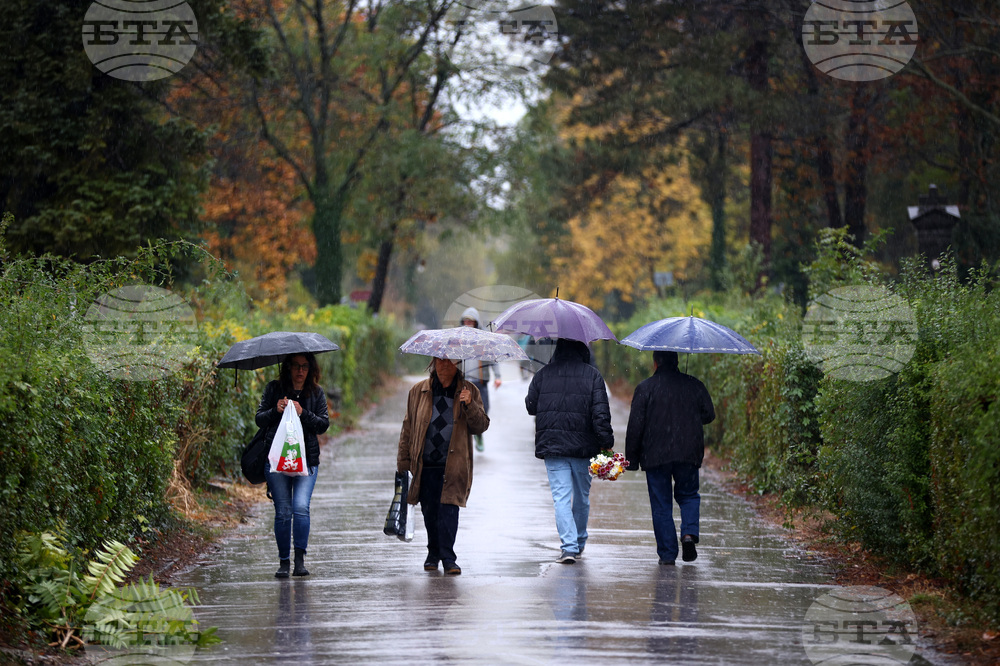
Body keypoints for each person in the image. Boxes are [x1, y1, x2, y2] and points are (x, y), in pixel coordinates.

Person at [397, 357, 489, 575]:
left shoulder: (469, 391)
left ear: (458, 363)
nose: (444, 364)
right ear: (433, 363)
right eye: (439, 360)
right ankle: (433, 552)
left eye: (449, 361)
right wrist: (403, 462)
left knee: (449, 510)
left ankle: (448, 557)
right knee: (430, 511)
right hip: (426, 463)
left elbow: (481, 426)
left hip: (454, 465)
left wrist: (470, 405)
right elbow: (407, 427)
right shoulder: (419, 391)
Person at [525, 338, 614, 564]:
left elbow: (530, 406)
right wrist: (606, 442)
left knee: (561, 498)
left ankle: (569, 547)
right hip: (584, 448)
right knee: (582, 498)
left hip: (553, 447)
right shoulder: (593, 375)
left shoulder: (544, 374)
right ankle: (579, 541)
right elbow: (601, 414)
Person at [625, 350, 715, 565]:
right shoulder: (694, 385)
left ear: (655, 363)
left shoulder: (645, 388)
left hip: (655, 454)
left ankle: (667, 554)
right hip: (688, 451)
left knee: (661, 503)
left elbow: (635, 426)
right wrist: (689, 415)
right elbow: (709, 415)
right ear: (676, 362)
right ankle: (689, 533)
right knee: (689, 495)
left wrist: (632, 459)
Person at [256, 353, 330, 578]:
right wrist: (275, 410)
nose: (300, 371)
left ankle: (300, 560)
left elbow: (323, 424)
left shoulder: (316, 393)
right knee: (283, 511)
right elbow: (259, 419)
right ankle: (284, 562)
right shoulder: (273, 389)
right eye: (296, 366)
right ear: (288, 367)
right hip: (278, 461)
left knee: (300, 507)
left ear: (311, 369)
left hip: (306, 461)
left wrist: (303, 412)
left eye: (305, 366)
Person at [459, 306, 501, 452]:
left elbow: (493, 359)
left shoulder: (484, 340)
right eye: (465, 321)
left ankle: (478, 434)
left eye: (471, 321)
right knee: (461, 412)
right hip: (463, 382)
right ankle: (465, 439)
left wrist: (498, 377)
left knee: (483, 410)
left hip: (480, 382)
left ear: (476, 323)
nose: (468, 324)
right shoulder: (458, 339)